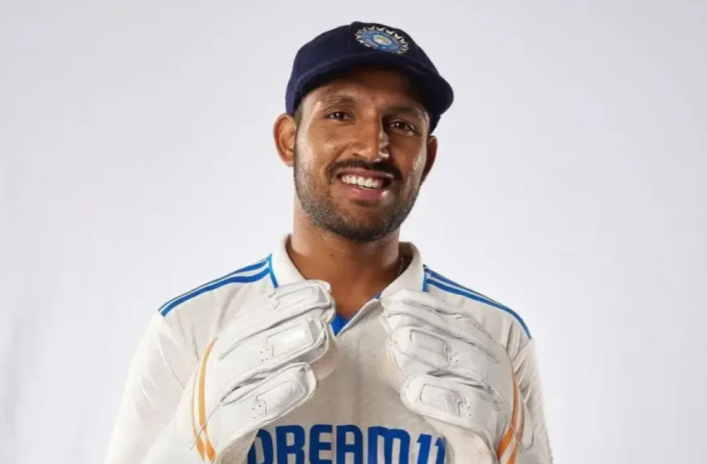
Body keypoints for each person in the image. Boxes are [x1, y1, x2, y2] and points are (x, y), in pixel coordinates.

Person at [104, 21, 554, 464]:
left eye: (401, 124)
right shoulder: (191, 326)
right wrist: (188, 452)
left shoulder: (493, 335)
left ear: (427, 158)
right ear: (288, 140)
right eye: (340, 115)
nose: (373, 147)